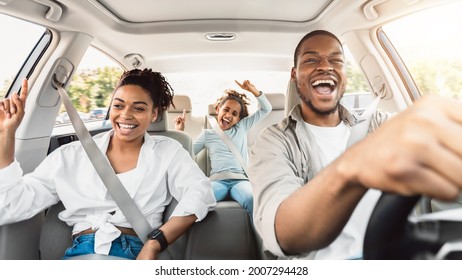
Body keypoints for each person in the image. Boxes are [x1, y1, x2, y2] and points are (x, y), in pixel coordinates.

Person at [248, 30, 462, 259]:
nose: (325, 66)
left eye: (336, 60)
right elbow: (284, 232)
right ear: (294, 73)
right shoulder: (273, 141)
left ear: (344, 73)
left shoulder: (379, 124)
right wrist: (352, 168)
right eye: (311, 60)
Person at [0, 68, 216, 260]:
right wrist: (7, 134)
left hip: (135, 252)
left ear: (154, 114)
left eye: (139, 108)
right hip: (79, 253)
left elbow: (201, 192)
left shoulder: (169, 151)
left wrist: (154, 243)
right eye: (118, 105)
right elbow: (11, 205)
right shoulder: (71, 155)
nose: (126, 115)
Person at [174, 80, 272, 220]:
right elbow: (187, 156)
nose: (229, 115)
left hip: (240, 181)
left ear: (239, 119)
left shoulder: (242, 127)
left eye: (234, 113)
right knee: (197, 201)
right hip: (217, 182)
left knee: (251, 198)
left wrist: (254, 91)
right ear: (218, 109)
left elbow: (266, 109)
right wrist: (181, 132)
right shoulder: (208, 134)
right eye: (226, 110)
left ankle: (262, 239)